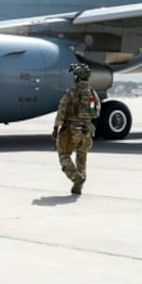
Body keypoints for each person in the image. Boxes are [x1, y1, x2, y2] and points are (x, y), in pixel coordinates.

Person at [52, 63, 101, 195]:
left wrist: (56, 128)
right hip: (87, 129)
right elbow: (96, 112)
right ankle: (80, 181)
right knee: (82, 157)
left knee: (63, 155)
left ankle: (76, 178)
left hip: (72, 129)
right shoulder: (92, 93)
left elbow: (62, 110)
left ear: (77, 77)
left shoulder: (71, 93)